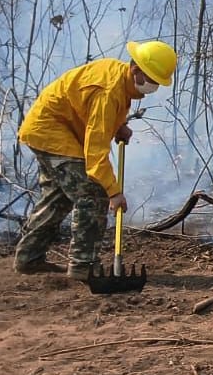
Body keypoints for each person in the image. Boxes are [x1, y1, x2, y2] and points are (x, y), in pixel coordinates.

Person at [13, 40, 177, 280]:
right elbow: (96, 154)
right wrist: (113, 192)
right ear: (135, 69)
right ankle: (83, 266)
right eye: (151, 80)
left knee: (57, 198)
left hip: (52, 130)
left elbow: (98, 116)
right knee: (92, 193)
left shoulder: (120, 79)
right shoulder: (109, 92)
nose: (154, 86)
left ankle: (29, 258)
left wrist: (119, 125)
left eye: (157, 82)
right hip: (51, 132)